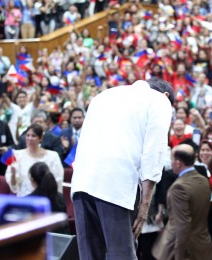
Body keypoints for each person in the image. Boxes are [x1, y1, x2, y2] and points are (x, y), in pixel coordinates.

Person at [71, 78, 174, 259]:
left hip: (81, 180)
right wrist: (145, 206)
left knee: (89, 255)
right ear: (166, 96)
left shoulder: (103, 95)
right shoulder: (160, 100)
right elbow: (154, 152)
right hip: (115, 184)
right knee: (122, 254)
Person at [152, 144, 212, 260]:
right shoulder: (203, 180)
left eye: (171, 160)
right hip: (203, 245)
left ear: (178, 163)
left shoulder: (178, 188)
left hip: (184, 250)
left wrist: (179, 255)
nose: (170, 164)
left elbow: (182, 226)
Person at [5, 124, 63, 197]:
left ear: (40, 138)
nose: (30, 138)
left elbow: (57, 181)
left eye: (33, 136)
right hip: (23, 198)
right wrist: (13, 173)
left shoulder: (52, 156)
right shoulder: (16, 155)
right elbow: (14, 187)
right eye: (28, 135)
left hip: (45, 198)